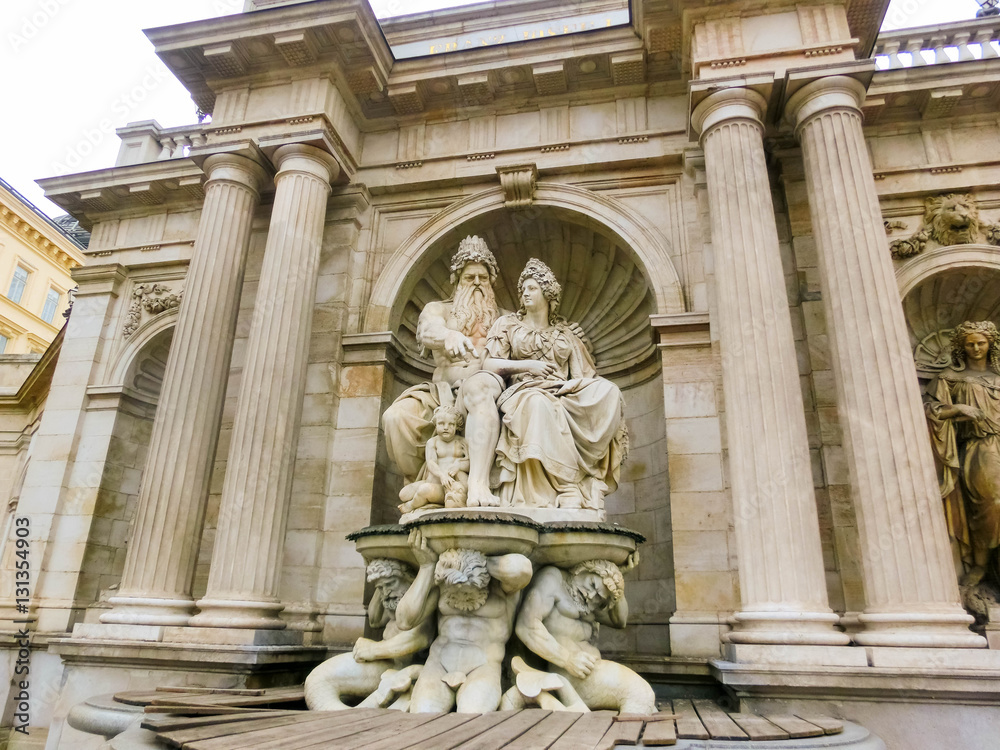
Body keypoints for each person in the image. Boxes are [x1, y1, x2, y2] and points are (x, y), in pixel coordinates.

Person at [483, 258, 627, 512]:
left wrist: (573, 386)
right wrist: (527, 366)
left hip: (561, 390)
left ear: (547, 294)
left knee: (610, 392)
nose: (525, 293)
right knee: (539, 404)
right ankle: (564, 487)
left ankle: (588, 479)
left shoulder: (566, 334)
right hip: (523, 391)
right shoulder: (507, 325)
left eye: (532, 288)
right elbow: (489, 365)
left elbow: (583, 374)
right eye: (523, 289)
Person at [381, 236, 506, 508]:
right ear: (457, 279)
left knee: (479, 387)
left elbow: (536, 337)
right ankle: (424, 481)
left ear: (491, 281)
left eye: (482, 278)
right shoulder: (438, 310)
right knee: (395, 417)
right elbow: (427, 331)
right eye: (469, 276)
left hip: (488, 393)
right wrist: (447, 335)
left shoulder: (505, 318)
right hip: (441, 396)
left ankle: (478, 484)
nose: (476, 283)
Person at [393, 530, 533, 713]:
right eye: (455, 590)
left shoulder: (503, 588)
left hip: (482, 667)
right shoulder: (444, 583)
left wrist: (474, 564)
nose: (460, 595)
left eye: (467, 590)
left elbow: (520, 567)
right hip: (439, 665)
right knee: (422, 717)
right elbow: (404, 621)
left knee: (472, 716)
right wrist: (427, 567)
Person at [514, 556, 656, 714]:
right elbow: (526, 626)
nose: (590, 595)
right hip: (571, 674)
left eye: (598, 597)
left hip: (590, 672)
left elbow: (620, 621)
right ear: (584, 569)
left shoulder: (589, 605)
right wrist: (567, 659)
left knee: (644, 701)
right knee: (640, 694)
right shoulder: (553, 579)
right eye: (592, 584)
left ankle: (624, 734)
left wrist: (618, 584)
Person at [925, 320, 1000, 587]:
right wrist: (958, 409)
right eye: (970, 344)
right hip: (980, 448)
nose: (976, 348)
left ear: (991, 343)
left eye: (981, 342)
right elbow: (932, 410)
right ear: (962, 347)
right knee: (991, 504)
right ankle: (980, 565)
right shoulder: (950, 378)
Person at [303, 559, 433, 711]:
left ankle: (378, 700)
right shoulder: (394, 604)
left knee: (319, 681)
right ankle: (372, 703)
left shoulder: (422, 606)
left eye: (391, 584)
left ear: (411, 580)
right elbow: (374, 619)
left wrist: (374, 650)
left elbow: (420, 638)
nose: (386, 592)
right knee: (317, 681)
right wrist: (381, 581)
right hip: (383, 660)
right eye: (381, 588)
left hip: (395, 664)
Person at [398, 405, 470, 514]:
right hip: (435, 480)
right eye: (441, 423)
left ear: (457, 426)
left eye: (451, 424)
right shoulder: (433, 442)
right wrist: (442, 475)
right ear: (436, 425)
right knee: (403, 494)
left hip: (453, 486)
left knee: (424, 490)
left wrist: (458, 466)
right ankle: (422, 497)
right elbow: (431, 462)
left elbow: (472, 463)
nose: (446, 427)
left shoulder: (462, 442)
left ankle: (411, 505)